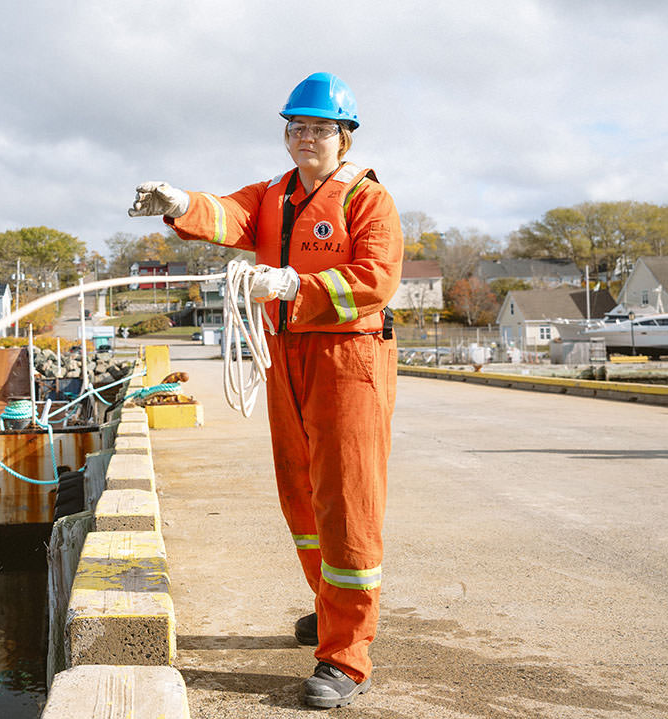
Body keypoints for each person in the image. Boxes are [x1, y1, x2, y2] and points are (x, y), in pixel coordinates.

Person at [127, 72, 402, 709]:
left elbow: (375, 280)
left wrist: (291, 288)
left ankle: (346, 656)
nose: (306, 138)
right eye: (297, 127)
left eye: (319, 129)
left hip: (348, 359)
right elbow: (227, 214)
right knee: (299, 489)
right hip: (286, 355)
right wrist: (176, 201)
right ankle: (327, 607)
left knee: (348, 499)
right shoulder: (274, 194)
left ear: (345, 136)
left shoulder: (368, 201)